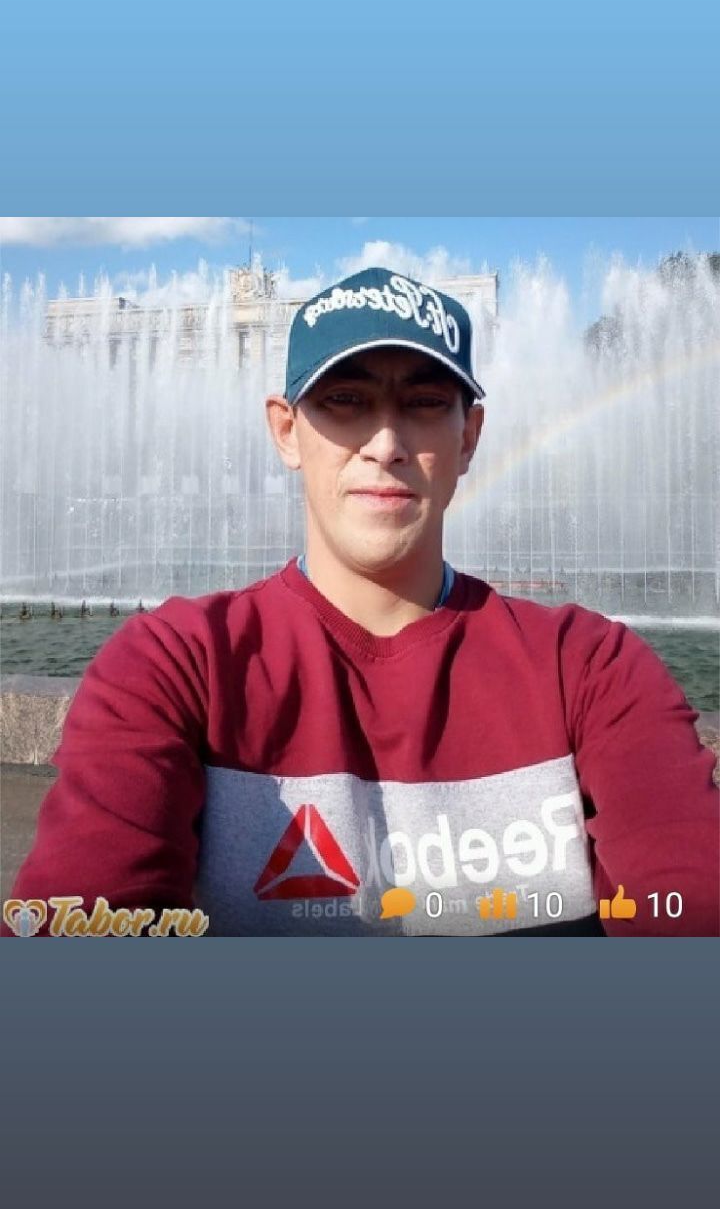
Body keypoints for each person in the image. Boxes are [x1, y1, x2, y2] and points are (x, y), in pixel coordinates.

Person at [3, 267, 718, 937]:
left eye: (425, 403)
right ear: (286, 431)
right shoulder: (175, 663)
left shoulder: (589, 666)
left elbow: (688, 901)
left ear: (469, 437)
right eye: (345, 401)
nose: (386, 443)